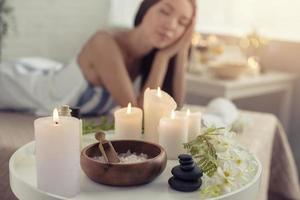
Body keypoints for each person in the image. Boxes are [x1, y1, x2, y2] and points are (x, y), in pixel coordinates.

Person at [0, 0, 196, 116]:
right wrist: (162, 59)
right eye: (164, 11)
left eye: (182, 23)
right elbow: (140, 115)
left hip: (54, 73)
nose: (171, 25)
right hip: (18, 85)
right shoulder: (105, 43)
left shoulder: (150, 55)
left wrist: (176, 52)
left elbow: (175, 108)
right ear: (146, 8)